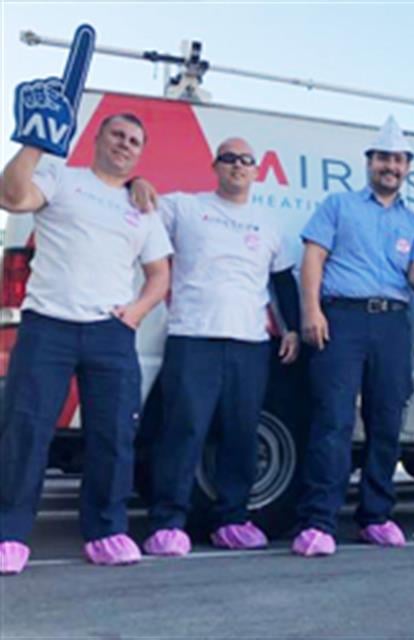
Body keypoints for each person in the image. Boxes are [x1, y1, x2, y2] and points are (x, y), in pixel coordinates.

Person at [0, 113, 173, 575]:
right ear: (96, 139)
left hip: (110, 334)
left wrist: (134, 314)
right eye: (117, 134)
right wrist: (35, 142)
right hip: (48, 325)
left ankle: (106, 532)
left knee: (114, 436)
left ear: (140, 153)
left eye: (134, 140)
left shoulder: (142, 207)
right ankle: (9, 535)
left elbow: (160, 275)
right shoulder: (60, 177)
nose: (124, 144)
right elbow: (11, 195)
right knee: (25, 431)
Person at [138, 137, 301, 557]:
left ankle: (232, 519)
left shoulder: (268, 225)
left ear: (255, 171)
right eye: (229, 159)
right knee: (184, 429)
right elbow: (142, 204)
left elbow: (282, 281)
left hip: (249, 342)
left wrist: (293, 329)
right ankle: (168, 523)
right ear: (216, 166)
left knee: (242, 435)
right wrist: (136, 182)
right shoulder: (187, 207)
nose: (238, 166)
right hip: (194, 337)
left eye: (246, 160)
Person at [291, 116, 414, 557]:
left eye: (398, 160)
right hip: (343, 319)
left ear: (407, 167)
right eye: (383, 158)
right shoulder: (339, 205)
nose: (390, 166)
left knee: (386, 421)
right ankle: (318, 521)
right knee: (333, 420)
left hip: (393, 322)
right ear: (370, 162)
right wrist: (311, 310)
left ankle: (376, 515)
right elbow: (313, 258)